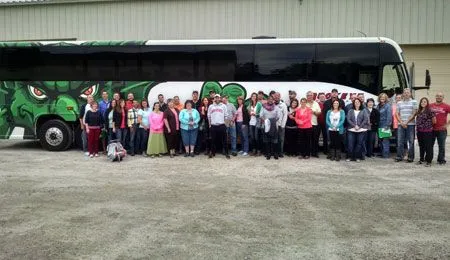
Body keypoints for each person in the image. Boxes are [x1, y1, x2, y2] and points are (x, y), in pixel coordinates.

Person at [395, 88, 418, 162]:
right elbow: (397, 114)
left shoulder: (414, 102)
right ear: (403, 94)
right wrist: (401, 122)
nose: (406, 94)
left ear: (410, 94)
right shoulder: (399, 103)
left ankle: (410, 157)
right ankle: (399, 156)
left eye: (408, 92)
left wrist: (406, 122)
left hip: (410, 124)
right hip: (400, 124)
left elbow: (414, 113)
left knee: (411, 141)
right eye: (405, 93)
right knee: (400, 141)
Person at [430, 92, 450, 165]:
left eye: (440, 96)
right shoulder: (430, 105)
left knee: (441, 146)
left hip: (442, 130)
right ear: (435, 96)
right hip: (431, 129)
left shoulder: (446, 106)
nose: (439, 97)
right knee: (430, 145)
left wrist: (447, 124)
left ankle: (441, 160)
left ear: (443, 97)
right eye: (438, 96)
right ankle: (429, 159)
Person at [415, 97, 436, 167]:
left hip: (427, 131)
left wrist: (428, 126)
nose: (423, 103)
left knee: (428, 146)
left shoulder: (430, 110)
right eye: (422, 102)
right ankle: (421, 159)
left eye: (425, 102)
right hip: (419, 131)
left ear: (427, 103)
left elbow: (434, 121)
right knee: (421, 146)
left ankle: (429, 161)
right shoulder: (419, 110)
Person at [208, 94, 230, 159]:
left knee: (224, 140)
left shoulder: (223, 106)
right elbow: (209, 116)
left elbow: (226, 116)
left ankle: (227, 153)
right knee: (213, 140)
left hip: (222, 125)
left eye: (218, 98)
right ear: (214, 99)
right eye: (216, 98)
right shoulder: (211, 106)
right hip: (213, 125)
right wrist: (209, 125)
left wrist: (226, 125)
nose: (217, 99)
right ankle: (212, 153)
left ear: (220, 98)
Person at [260, 95, 281, 160]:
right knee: (267, 140)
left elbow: (278, 115)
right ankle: (268, 154)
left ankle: (275, 154)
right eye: (269, 99)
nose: (270, 100)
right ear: (267, 100)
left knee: (274, 140)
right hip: (265, 126)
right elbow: (261, 115)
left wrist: (272, 121)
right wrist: (266, 121)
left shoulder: (276, 107)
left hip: (274, 126)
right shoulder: (263, 107)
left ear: (273, 100)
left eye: (271, 99)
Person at [306, 91, 321, 158]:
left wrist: (313, 112)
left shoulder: (316, 103)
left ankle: (314, 153)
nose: (309, 96)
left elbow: (319, 113)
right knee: (307, 139)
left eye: (311, 95)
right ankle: (307, 153)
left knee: (315, 139)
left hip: (314, 124)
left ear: (313, 96)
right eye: (308, 95)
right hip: (305, 124)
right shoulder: (304, 103)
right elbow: (299, 111)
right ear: (306, 96)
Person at [377, 93, 393, 159]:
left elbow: (389, 116)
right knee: (380, 140)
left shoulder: (388, 106)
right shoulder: (378, 105)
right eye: (381, 97)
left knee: (385, 140)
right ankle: (382, 153)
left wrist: (388, 125)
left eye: (383, 97)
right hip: (379, 125)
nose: (382, 98)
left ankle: (386, 155)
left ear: (386, 98)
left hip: (385, 124)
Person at [274, 92, 288, 158]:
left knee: (281, 140)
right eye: (275, 96)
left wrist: (283, 125)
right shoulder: (272, 104)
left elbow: (285, 115)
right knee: (274, 139)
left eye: (277, 96)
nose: (276, 97)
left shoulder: (283, 105)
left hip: (280, 125)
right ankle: (275, 152)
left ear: (280, 97)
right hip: (273, 126)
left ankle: (281, 152)